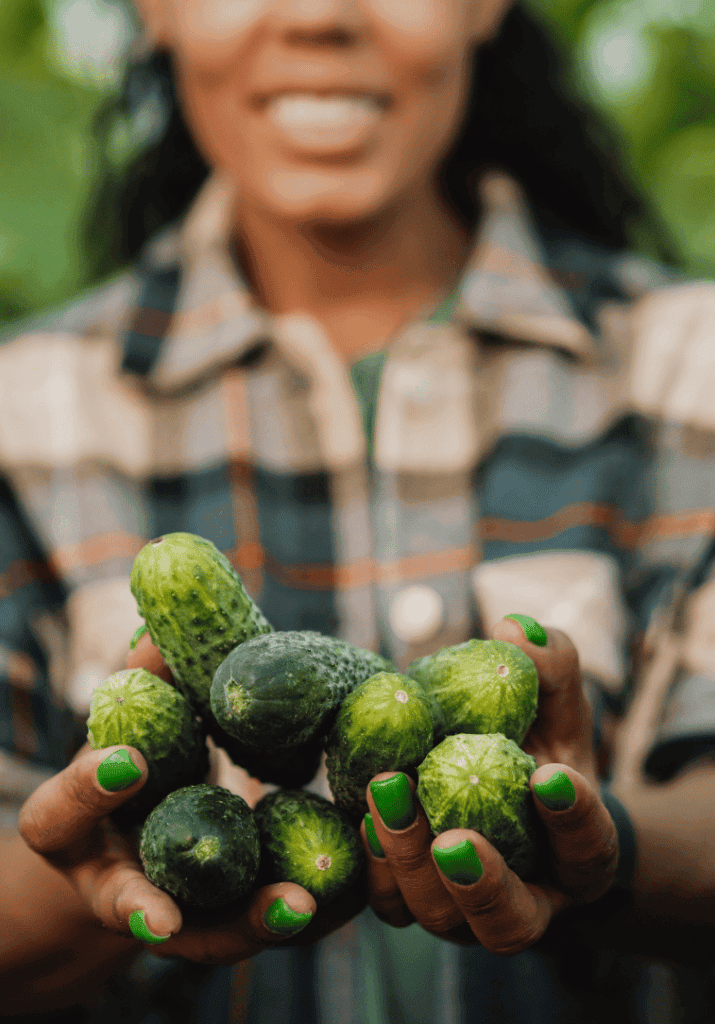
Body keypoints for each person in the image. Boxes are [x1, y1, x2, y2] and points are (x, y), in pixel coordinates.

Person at [3, 0, 715, 1020]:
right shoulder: (21, 417)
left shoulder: (693, 368)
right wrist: (105, 875)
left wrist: (612, 851)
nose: (318, 13)